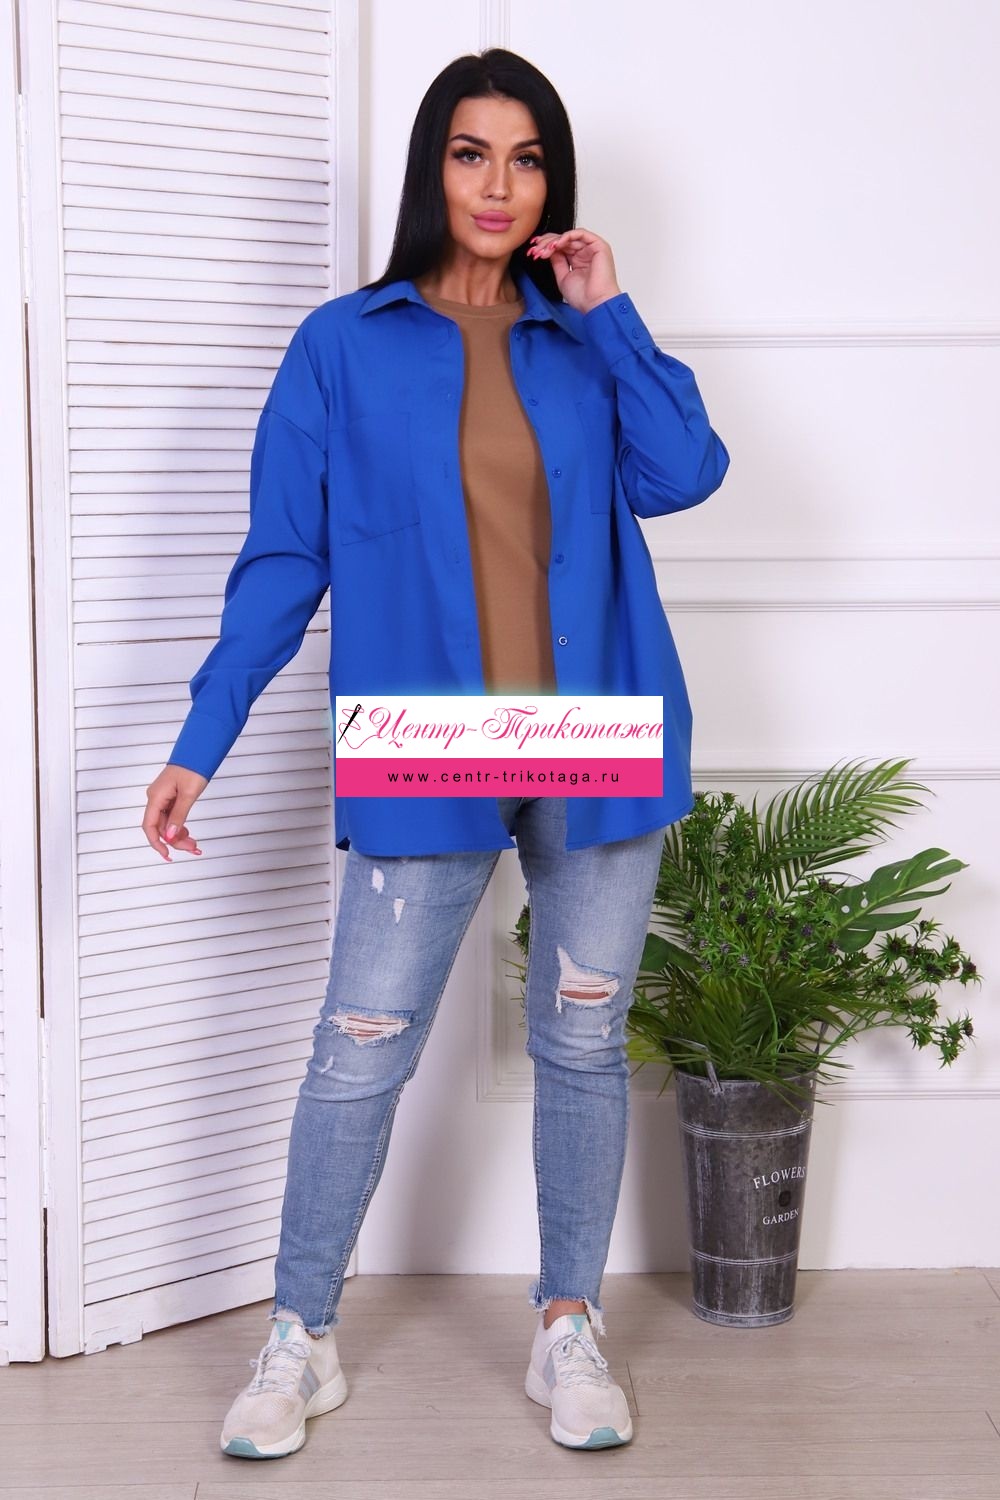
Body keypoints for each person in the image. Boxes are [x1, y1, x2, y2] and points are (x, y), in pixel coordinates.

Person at [141, 48, 730, 1460]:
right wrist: (203, 738)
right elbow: (284, 559)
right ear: (433, 170)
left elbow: (686, 472)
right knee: (360, 1050)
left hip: (596, 732)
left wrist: (610, 311)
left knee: (581, 1044)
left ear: (553, 182)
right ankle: (301, 1337)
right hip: (427, 741)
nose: (498, 184)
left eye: (527, 158)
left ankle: (566, 1325)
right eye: (472, 154)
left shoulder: (580, 341)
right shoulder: (343, 344)